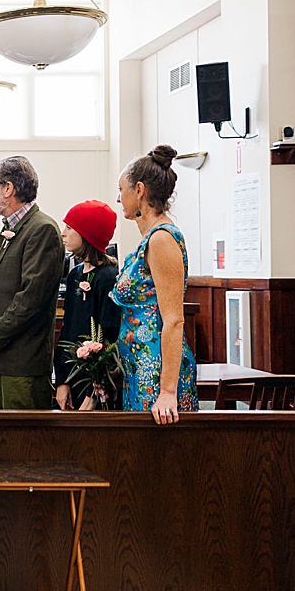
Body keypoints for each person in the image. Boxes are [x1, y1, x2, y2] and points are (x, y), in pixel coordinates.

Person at [0, 156, 63, 410]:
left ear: (9, 188)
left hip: (22, 365)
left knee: (23, 447)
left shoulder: (42, 230)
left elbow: (29, 300)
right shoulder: (10, 228)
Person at [111, 146, 197, 423]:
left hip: (157, 370)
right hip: (139, 365)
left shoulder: (162, 239)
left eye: (121, 189)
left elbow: (173, 320)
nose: (118, 198)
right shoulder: (149, 238)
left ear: (139, 190)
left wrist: (168, 390)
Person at [54, 199, 121, 411]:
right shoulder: (75, 274)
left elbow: (110, 339)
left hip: (95, 385)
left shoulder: (107, 277)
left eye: (69, 228)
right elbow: (67, 332)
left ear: (88, 234)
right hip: (73, 377)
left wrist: (95, 392)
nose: (63, 233)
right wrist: (62, 381)